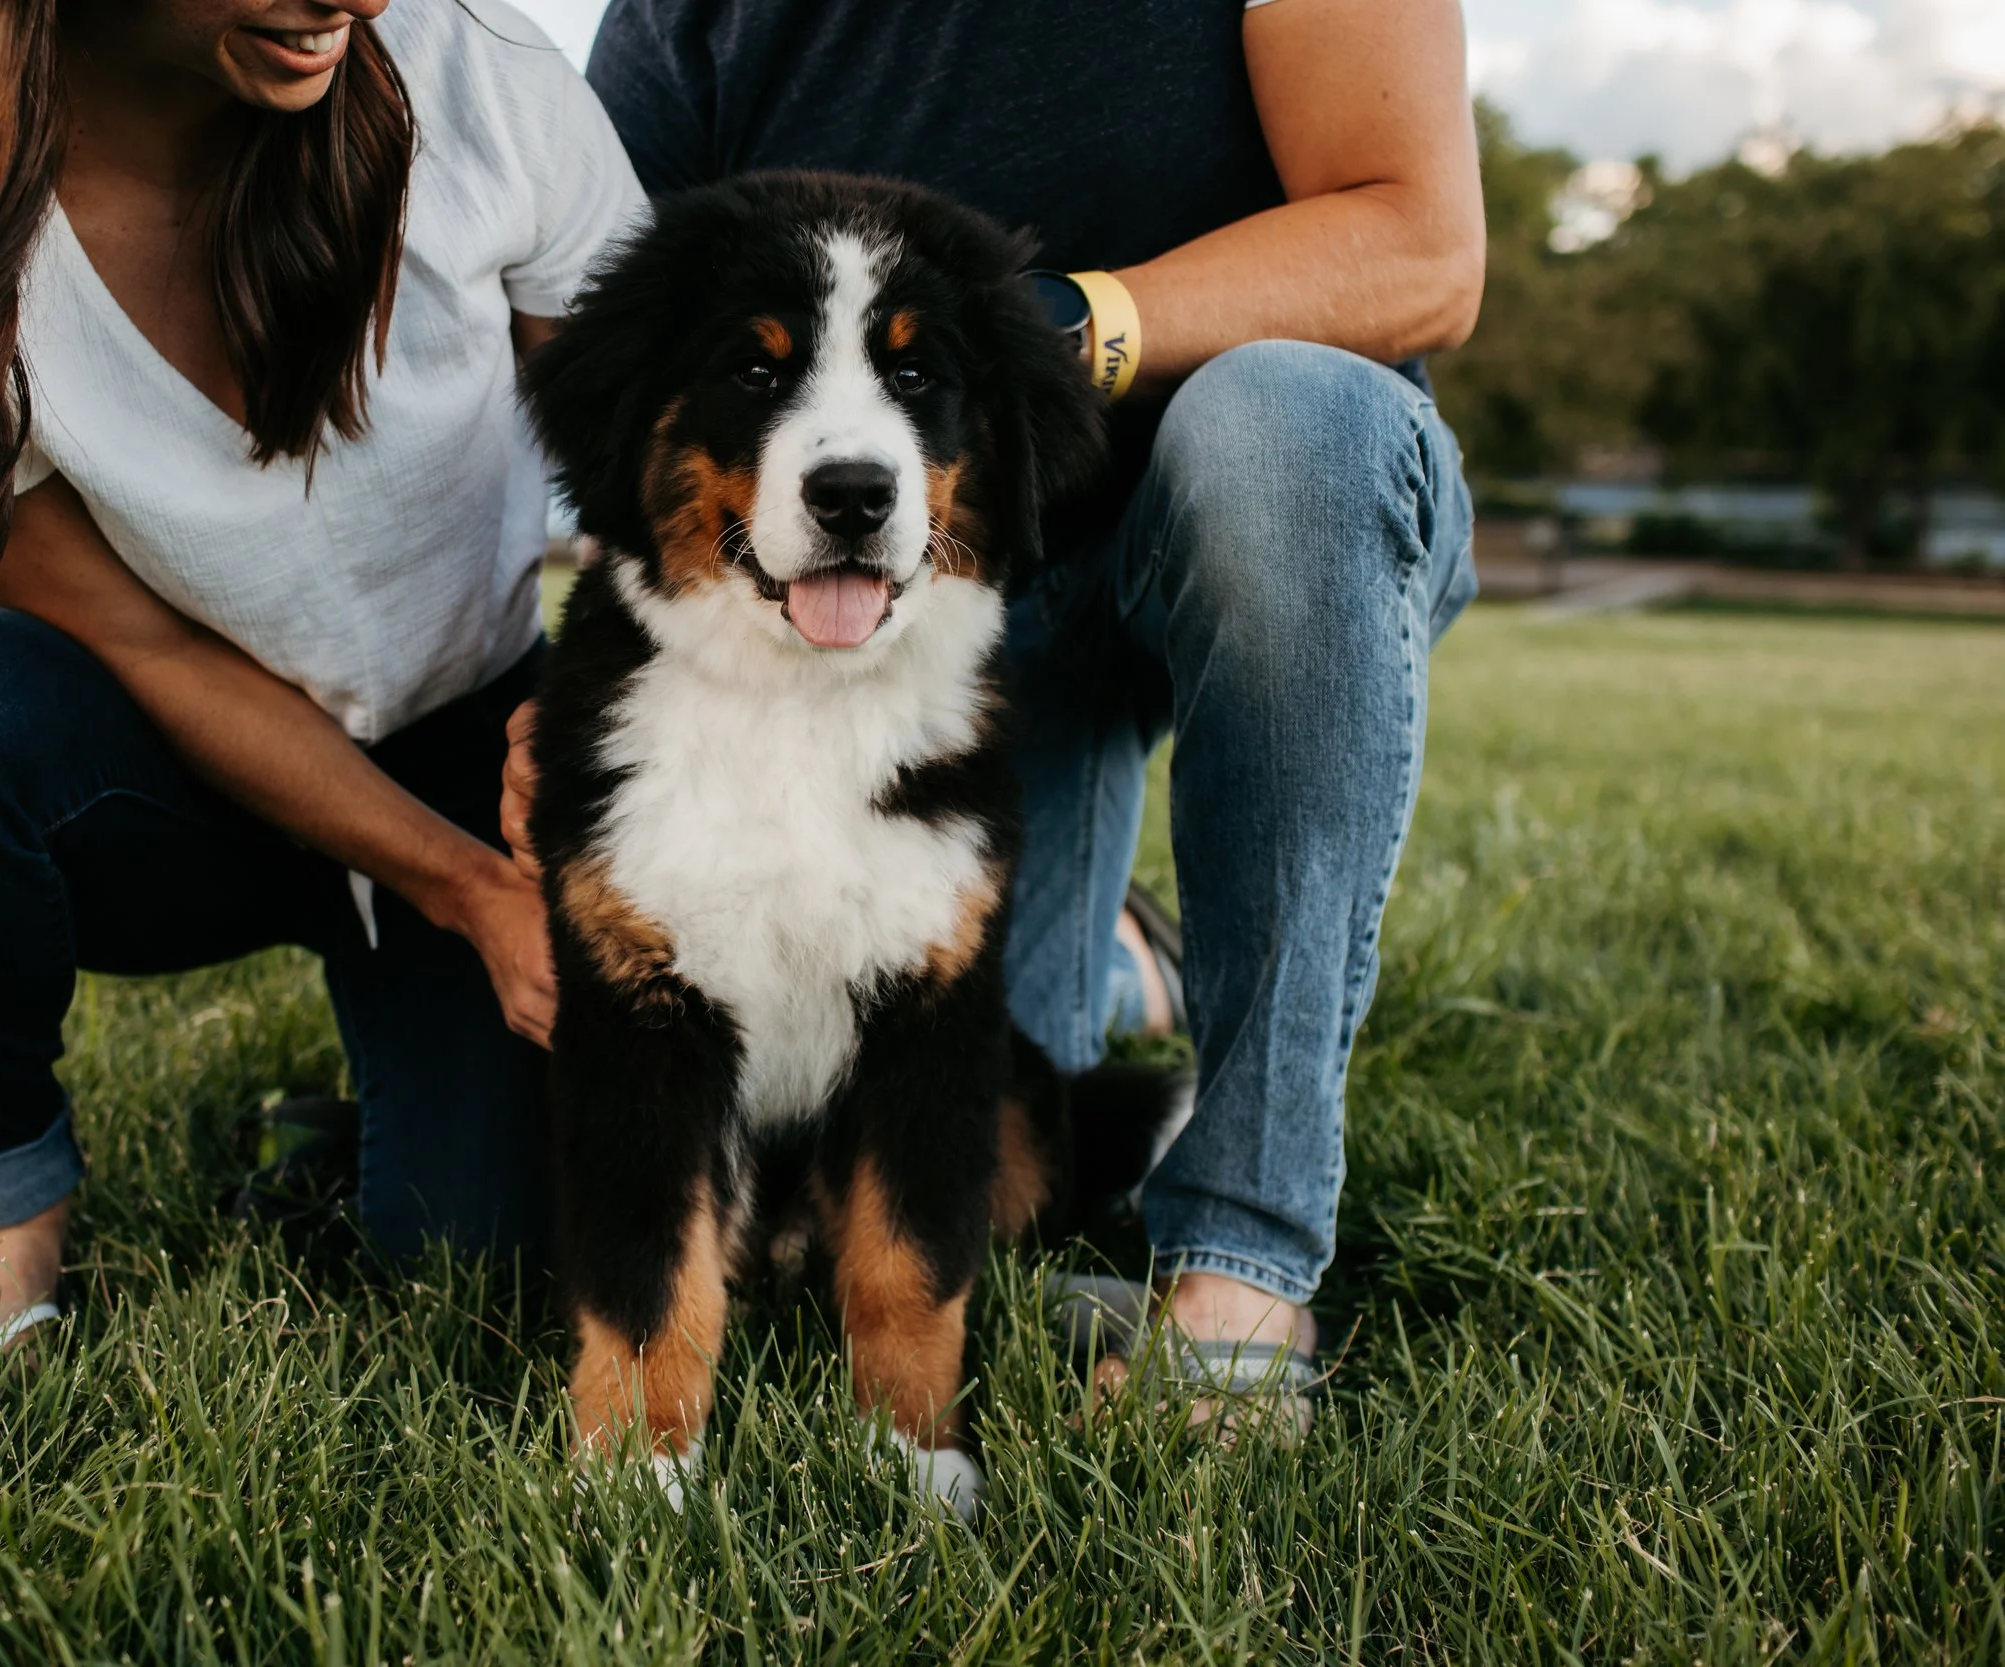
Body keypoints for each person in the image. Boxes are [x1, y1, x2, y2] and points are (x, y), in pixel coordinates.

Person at [570, 0, 1487, 1426]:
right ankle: (1125, 961)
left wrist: (1039, 336)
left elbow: (1421, 244)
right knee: (998, 1132)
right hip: (892, 622)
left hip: (1216, 515)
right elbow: (600, 324)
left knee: (1289, 428)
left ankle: (1241, 1254)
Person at [0, 0, 642, 1359]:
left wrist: (581, 716)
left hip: (468, 742)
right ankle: (6, 1209)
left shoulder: (485, 78)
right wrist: (466, 896)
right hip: (182, 772)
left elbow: (654, 478)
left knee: (482, 1273)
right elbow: (141, 643)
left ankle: (373, 1113)